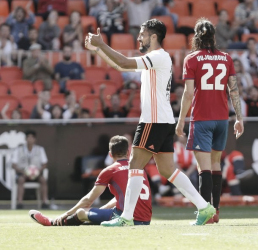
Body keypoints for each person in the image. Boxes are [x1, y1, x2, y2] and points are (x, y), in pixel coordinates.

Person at [85, 19, 215, 226]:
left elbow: (125, 63)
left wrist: (101, 45)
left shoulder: (157, 56)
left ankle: (126, 217)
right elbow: (121, 66)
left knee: (134, 165)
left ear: (153, 37)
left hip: (153, 121)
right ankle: (204, 207)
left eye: (142, 33)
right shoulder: (156, 58)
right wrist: (98, 49)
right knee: (167, 170)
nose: (138, 37)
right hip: (163, 120)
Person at [175, 18, 244, 224]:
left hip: (202, 119)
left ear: (195, 37)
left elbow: (188, 94)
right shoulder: (226, 58)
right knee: (216, 165)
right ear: (214, 37)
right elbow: (233, 90)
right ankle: (216, 212)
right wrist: (239, 118)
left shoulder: (192, 59)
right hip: (222, 119)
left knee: (203, 168)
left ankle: (204, 213)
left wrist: (180, 121)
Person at [29, 135, 152, 226]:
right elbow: (126, 195)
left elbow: (88, 200)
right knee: (92, 214)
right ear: (128, 152)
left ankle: (52, 223)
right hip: (146, 220)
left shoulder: (110, 170)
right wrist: (102, 210)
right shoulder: (139, 169)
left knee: (82, 212)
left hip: (126, 218)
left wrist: (66, 214)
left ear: (110, 154)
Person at [11, 130, 49, 209]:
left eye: (32, 137)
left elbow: (45, 164)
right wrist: (23, 172)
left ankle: (45, 202)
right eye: (28, 137)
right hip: (23, 173)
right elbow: (14, 164)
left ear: (35, 139)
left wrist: (38, 171)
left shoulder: (40, 149)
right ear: (25, 139)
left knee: (43, 180)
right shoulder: (19, 149)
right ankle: (20, 203)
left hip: (36, 174)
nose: (30, 139)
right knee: (20, 180)